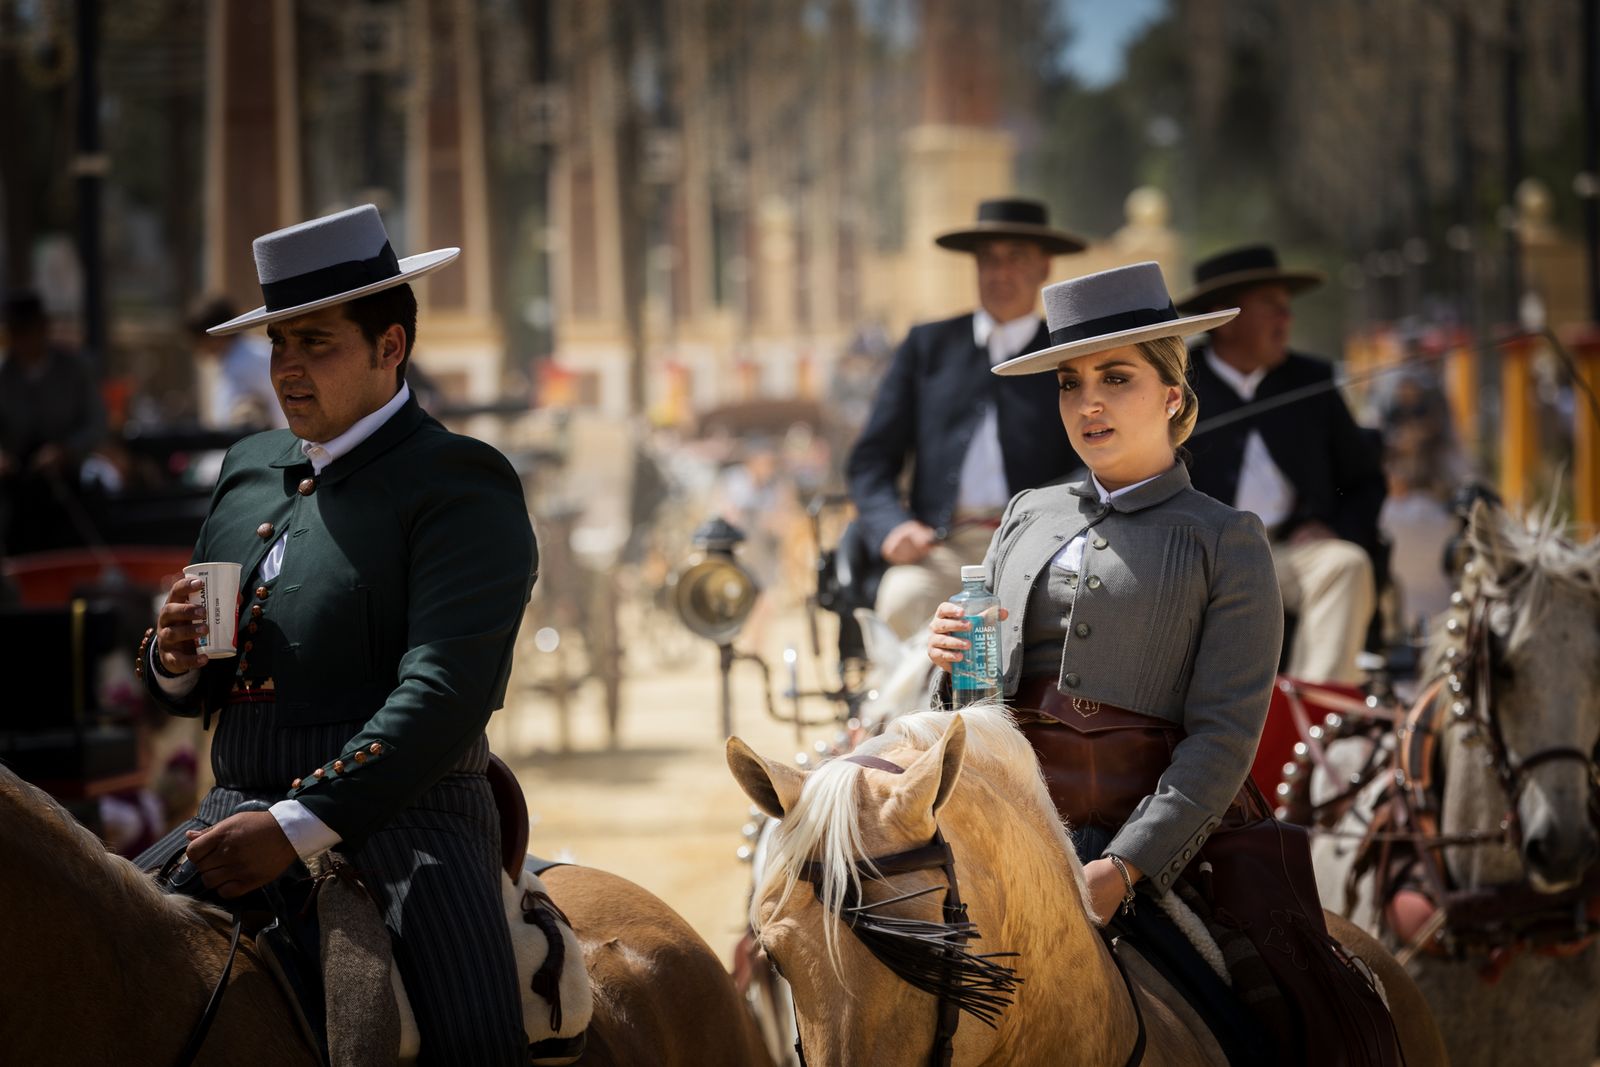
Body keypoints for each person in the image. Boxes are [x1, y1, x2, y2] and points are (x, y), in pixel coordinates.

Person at [927, 262, 1398, 1066]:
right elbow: (967, 702)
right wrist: (944, 663)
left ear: (1175, 394)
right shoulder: (1026, 513)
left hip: (1149, 846)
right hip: (1004, 826)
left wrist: (1127, 866)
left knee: (1292, 1026)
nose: (1089, 402)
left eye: (1117, 377)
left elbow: (1222, 739)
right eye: (1071, 384)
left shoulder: (1227, 540)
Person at [134, 204, 537, 1063]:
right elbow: (203, 674)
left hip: (409, 826)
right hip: (226, 814)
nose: (286, 369)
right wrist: (172, 657)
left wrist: (297, 824)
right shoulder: (246, 472)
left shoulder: (461, 483)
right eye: (279, 344)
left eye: (316, 344)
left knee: (472, 1046)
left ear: (391, 346)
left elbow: (443, 693)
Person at [846, 197, 1086, 639]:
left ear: (1044, 267)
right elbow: (870, 461)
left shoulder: (1067, 356)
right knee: (901, 604)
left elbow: (1092, 458)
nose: (1000, 273)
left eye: (1017, 257)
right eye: (988, 259)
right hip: (943, 546)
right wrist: (891, 526)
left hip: (1044, 546)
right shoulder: (927, 346)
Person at [1177, 245, 1386, 684]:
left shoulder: (1310, 381)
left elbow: (1364, 480)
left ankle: (1310, 719)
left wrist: (1335, 528)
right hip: (1197, 555)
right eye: (1272, 307)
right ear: (1225, 315)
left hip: (1290, 552)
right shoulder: (1175, 384)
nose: (1286, 320)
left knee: (1345, 564)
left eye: (1287, 309)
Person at [0, 291, 106, 555]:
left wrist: (66, 450)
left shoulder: (75, 368)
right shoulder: (4, 373)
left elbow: (96, 423)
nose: (22, 340)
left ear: (43, 329)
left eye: (28, 330)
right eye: (16, 331)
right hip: (13, 487)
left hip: (65, 483)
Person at [186, 294, 289, 430]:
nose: (198, 348)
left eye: (199, 340)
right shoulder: (231, 359)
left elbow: (280, 410)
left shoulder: (253, 357)